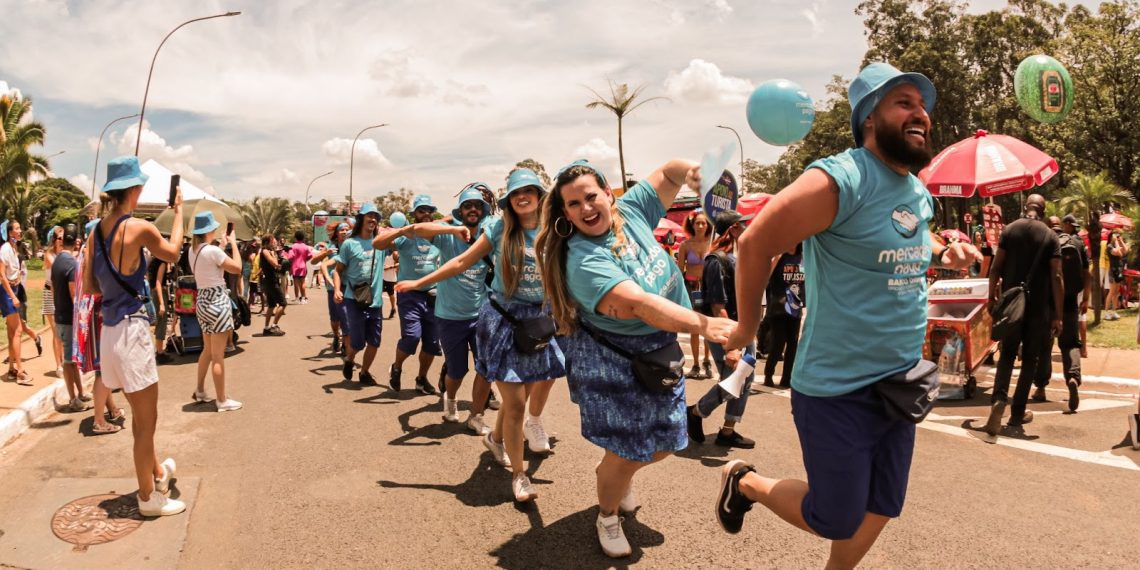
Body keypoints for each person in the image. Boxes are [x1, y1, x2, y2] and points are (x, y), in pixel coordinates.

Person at [713, 63, 979, 568]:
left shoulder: (917, 191)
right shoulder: (841, 178)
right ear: (870, 119)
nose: (920, 112)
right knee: (835, 516)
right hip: (838, 387)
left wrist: (946, 255)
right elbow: (754, 242)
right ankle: (743, 480)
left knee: (882, 503)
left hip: (900, 380)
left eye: (921, 104)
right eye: (903, 103)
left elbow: (914, 242)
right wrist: (747, 327)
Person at [535, 158, 732, 557]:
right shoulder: (582, 259)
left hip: (656, 350)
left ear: (609, 193)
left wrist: (693, 171)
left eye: (591, 196)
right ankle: (607, 514)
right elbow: (640, 304)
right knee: (627, 450)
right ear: (565, 215)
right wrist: (705, 325)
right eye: (573, 205)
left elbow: (671, 172)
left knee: (664, 442)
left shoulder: (632, 209)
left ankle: (615, 473)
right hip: (612, 359)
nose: (586, 208)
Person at [398, 168, 565, 503]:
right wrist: (419, 282)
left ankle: (496, 440)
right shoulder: (499, 228)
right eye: (516, 193)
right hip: (503, 321)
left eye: (529, 190)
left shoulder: (555, 231)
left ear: (539, 194)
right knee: (515, 402)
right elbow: (461, 262)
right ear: (508, 201)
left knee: (525, 395)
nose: (522, 196)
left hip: (538, 322)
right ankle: (519, 476)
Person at [84, 155, 185, 516]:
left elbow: (88, 285)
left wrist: (116, 283)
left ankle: (156, 472)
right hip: (131, 331)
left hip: (109, 331)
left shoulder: (95, 230)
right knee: (146, 423)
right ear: (135, 189)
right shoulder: (138, 228)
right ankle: (148, 499)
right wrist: (179, 215)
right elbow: (172, 254)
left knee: (140, 418)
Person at [395, 184, 496, 433]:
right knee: (457, 369)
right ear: (460, 212)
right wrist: (452, 226)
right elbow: (418, 229)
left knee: (485, 367)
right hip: (450, 316)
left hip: (481, 313)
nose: (473, 209)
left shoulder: (489, 235)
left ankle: (476, 414)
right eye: (467, 206)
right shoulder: (447, 236)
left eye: (477, 206)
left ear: (483, 211)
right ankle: (450, 399)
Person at [985, 194, 1062, 436]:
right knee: (1030, 359)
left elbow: (996, 267)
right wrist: (1058, 314)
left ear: (1025, 207)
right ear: (1043, 209)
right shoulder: (1050, 236)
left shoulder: (1009, 230)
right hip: (1038, 309)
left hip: (1012, 306)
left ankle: (998, 399)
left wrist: (991, 297)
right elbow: (1057, 277)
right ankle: (1017, 414)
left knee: (1007, 354)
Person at [686, 210, 757, 450]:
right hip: (727, 330)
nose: (747, 228)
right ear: (733, 229)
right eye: (742, 225)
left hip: (743, 327)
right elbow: (718, 306)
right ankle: (695, 412)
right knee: (732, 381)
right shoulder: (716, 260)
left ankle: (728, 431)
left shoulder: (735, 256)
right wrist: (734, 345)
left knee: (744, 379)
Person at [375, 195, 443, 395]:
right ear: (414, 215)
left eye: (429, 210)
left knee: (431, 344)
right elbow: (378, 244)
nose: (426, 214)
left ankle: (421, 379)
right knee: (412, 337)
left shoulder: (439, 236)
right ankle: (396, 367)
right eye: (421, 210)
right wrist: (403, 230)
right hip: (409, 295)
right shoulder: (405, 237)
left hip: (433, 296)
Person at [187, 212, 243, 411]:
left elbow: (209, 263)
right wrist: (234, 244)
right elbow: (237, 268)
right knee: (218, 356)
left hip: (202, 301)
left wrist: (221, 246)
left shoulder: (193, 251)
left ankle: (200, 390)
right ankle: (222, 400)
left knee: (208, 350)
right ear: (209, 230)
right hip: (218, 302)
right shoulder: (213, 252)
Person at [75, 217, 125, 435]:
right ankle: (99, 421)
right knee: (104, 370)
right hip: (100, 314)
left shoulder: (88, 254)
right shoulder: (95, 257)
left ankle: (111, 409)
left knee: (103, 368)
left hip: (94, 314)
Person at [333, 204, 387, 386]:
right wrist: (337, 290)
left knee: (375, 342)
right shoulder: (349, 244)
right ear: (361, 219)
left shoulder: (381, 243)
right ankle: (349, 359)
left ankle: (364, 372)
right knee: (357, 343)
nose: (373, 219)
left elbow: (399, 246)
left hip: (375, 302)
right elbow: (338, 270)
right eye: (369, 215)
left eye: (376, 217)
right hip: (354, 300)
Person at [51, 224, 91, 412]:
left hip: (60, 315)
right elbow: (75, 295)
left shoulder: (58, 260)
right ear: (76, 241)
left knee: (72, 360)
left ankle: (81, 392)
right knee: (69, 361)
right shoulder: (71, 263)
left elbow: (53, 289)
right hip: (68, 319)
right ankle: (73, 399)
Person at [676, 210, 713, 378]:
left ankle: (707, 361)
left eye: (703, 223)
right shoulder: (685, 245)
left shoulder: (713, 244)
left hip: (708, 287)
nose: (700, 226)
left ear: (708, 226)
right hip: (691, 288)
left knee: (707, 326)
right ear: (692, 225)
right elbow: (679, 270)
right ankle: (696, 365)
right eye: (697, 223)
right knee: (694, 327)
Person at [763, 242, 805, 388]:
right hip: (778, 307)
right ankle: (769, 373)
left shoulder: (803, 257)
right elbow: (766, 277)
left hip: (795, 307)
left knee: (793, 345)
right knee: (778, 343)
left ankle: (786, 378)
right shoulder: (780, 256)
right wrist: (776, 259)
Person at [311, 223, 352, 356]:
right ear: (337, 233)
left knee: (346, 317)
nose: (344, 232)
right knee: (335, 319)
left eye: (347, 229)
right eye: (342, 230)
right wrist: (325, 253)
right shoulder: (331, 247)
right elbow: (314, 262)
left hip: (348, 286)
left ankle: (346, 344)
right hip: (332, 287)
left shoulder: (352, 245)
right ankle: (336, 335)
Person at [1, 219, 33, 385]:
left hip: (14, 290)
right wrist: (12, 296)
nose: (20, 231)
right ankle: (20, 372)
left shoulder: (14, 248)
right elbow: (2, 275)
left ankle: (12, 369)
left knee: (11, 331)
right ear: (10, 232)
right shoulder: (5, 249)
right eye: (17, 228)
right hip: (8, 293)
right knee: (18, 330)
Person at [43, 226, 66, 377]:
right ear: (54, 240)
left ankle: (64, 361)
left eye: (64, 237)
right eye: (59, 238)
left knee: (64, 331)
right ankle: (59, 365)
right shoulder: (49, 255)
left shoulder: (65, 254)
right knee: (57, 331)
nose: (62, 240)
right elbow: (59, 269)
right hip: (50, 294)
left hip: (62, 293)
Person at [259, 234, 287, 335]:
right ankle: (274, 326)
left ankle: (266, 328)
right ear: (267, 242)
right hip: (271, 282)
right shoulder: (266, 251)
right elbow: (274, 264)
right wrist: (275, 255)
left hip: (268, 281)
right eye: (273, 241)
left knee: (271, 305)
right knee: (283, 303)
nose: (275, 242)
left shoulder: (266, 251)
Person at [1104, 229, 1128, 320]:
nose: (1116, 237)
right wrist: (1115, 242)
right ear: (1111, 237)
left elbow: (1125, 251)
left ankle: (1114, 312)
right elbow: (1118, 252)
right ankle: (1106, 313)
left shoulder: (1116, 244)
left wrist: (1120, 240)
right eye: (1115, 236)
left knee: (1116, 292)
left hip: (1119, 270)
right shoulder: (1109, 246)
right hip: (1113, 271)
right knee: (1111, 292)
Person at [287, 230, 312, 304]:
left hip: (295, 267)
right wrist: (305, 260)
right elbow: (310, 255)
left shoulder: (293, 246)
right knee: (303, 282)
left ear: (295, 238)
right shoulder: (306, 246)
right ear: (303, 238)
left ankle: (297, 298)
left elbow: (290, 257)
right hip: (303, 266)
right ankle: (304, 298)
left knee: (296, 283)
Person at [382, 249, 398, 320]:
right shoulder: (383, 251)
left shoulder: (395, 253)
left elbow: (399, 264)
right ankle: (378, 311)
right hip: (382, 277)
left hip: (391, 278)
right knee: (378, 294)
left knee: (391, 294)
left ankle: (393, 308)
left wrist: (390, 267)